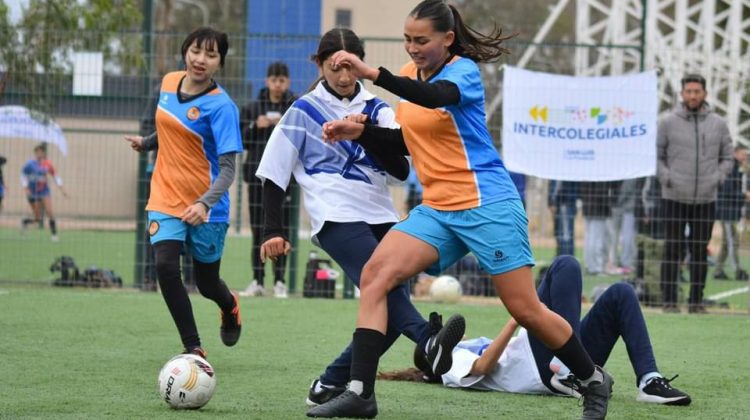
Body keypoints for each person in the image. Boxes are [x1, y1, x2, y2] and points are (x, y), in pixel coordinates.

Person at [309, 2, 614, 418]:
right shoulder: (408, 77)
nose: (413, 48)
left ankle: (593, 379)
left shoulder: (462, 73)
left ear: (447, 39)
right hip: (438, 209)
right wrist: (360, 131)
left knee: (525, 309)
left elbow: (434, 98)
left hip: (488, 205)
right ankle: (361, 392)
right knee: (376, 275)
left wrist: (370, 73)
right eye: (407, 40)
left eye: (421, 40)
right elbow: (410, 142)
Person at [254, 28, 439, 409]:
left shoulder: (378, 109)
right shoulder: (303, 110)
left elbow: (401, 171)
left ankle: (333, 383)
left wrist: (364, 133)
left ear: (358, 64)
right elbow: (273, 174)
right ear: (319, 64)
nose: (342, 76)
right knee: (385, 293)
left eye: (349, 66)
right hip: (335, 215)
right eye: (333, 66)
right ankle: (427, 339)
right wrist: (273, 230)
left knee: (386, 312)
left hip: (382, 215)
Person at [380, 256, 692, 407]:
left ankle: (649, 381)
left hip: (552, 362)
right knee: (564, 266)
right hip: (543, 368)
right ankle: (574, 367)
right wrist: (518, 317)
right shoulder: (447, 365)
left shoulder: (465, 346)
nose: (447, 335)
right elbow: (483, 366)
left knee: (621, 293)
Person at [123, 27, 242, 358]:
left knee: (206, 284)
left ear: (220, 62)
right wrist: (146, 142)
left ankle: (230, 305)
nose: (200, 59)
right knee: (164, 266)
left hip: (207, 207)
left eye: (211, 54)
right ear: (185, 50)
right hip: (164, 197)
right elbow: (168, 127)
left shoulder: (222, 108)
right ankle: (193, 347)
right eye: (195, 50)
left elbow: (230, 169)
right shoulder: (168, 82)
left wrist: (204, 203)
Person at [657, 73, 734, 313]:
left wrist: (717, 178)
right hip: (674, 196)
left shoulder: (718, 124)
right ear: (682, 94)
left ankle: (696, 301)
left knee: (700, 250)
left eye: (696, 91)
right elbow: (656, 156)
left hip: (705, 198)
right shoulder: (667, 122)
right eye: (688, 91)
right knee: (672, 248)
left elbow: (728, 157)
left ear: (705, 94)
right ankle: (669, 301)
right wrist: (667, 178)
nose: (692, 95)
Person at [239, 61, 297, 298]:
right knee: (257, 229)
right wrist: (256, 125)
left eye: (282, 80)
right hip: (257, 177)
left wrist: (281, 123)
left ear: (288, 82)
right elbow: (241, 139)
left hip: (286, 179)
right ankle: (258, 280)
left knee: (282, 229)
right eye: (274, 79)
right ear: (266, 81)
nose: (277, 84)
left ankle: (281, 281)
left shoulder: (294, 108)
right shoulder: (252, 108)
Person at [713, 144, 749, 281]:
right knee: (732, 242)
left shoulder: (737, 169)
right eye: (743, 154)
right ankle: (737, 270)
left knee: (726, 243)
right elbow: (727, 192)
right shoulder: (730, 169)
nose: (745, 157)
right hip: (726, 211)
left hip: (731, 211)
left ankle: (718, 270)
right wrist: (744, 195)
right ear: (735, 153)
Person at [21, 143, 68, 241]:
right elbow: (23, 174)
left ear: (43, 153)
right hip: (33, 192)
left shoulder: (48, 164)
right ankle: (25, 222)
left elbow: (55, 176)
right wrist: (25, 188)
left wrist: (62, 189)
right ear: (35, 153)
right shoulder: (30, 164)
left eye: (40, 152)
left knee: (50, 212)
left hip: (44, 191)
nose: (38, 154)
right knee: (37, 218)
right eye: (37, 152)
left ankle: (54, 235)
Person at [579, 181, 621, 275]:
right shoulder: (600, 173)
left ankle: (590, 265)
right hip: (598, 210)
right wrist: (608, 207)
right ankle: (597, 267)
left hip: (588, 208)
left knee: (589, 238)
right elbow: (601, 193)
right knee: (597, 240)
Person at [548, 180, 579, 257]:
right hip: (558, 206)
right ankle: (560, 257)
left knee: (566, 236)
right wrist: (551, 203)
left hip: (566, 205)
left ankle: (567, 258)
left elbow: (573, 189)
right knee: (559, 234)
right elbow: (551, 186)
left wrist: (556, 201)